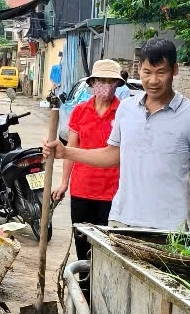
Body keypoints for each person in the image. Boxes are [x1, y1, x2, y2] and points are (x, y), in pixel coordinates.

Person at [43, 37, 190, 232]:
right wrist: (66, 152)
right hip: (121, 220)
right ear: (139, 69)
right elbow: (113, 154)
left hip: (169, 227)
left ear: (174, 70)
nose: (153, 80)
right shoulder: (127, 109)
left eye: (161, 72)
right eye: (147, 72)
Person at [51, 59, 124, 263]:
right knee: (82, 247)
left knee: (106, 250)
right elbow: (69, 151)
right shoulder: (80, 111)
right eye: (102, 80)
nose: (106, 86)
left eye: (111, 81)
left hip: (112, 192)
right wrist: (64, 182)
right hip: (82, 189)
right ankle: (83, 291)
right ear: (92, 83)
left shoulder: (123, 113)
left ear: (117, 84)